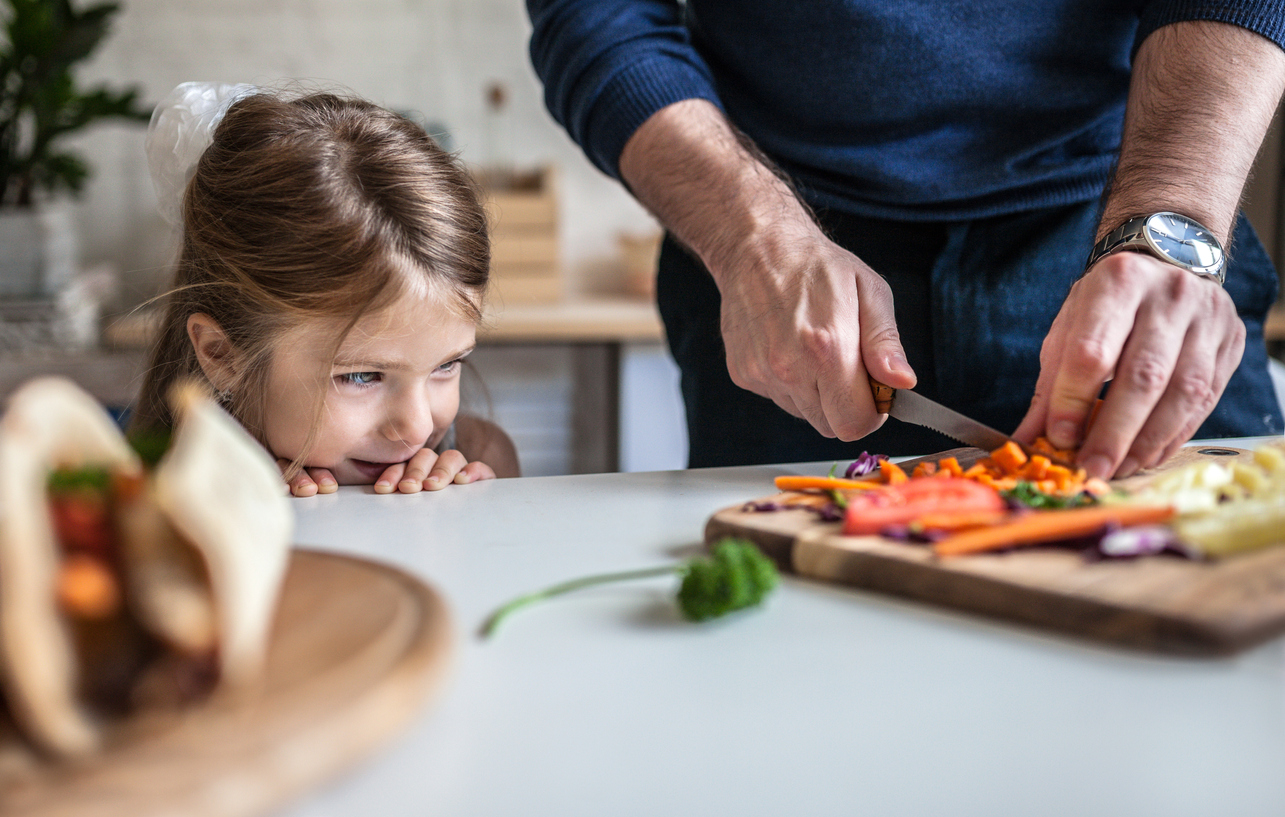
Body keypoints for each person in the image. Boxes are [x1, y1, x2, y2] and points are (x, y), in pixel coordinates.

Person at [526, 2, 1285, 479]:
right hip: (788, 268)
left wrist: (1169, 227)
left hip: (1125, 228)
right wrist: (754, 236)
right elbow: (599, 15)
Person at [133, 83, 519, 497]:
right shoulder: (151, 500)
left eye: (447, 365)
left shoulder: (484, 456)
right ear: (222, 355)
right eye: (361, 376)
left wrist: (479, 515)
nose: (418, 426)